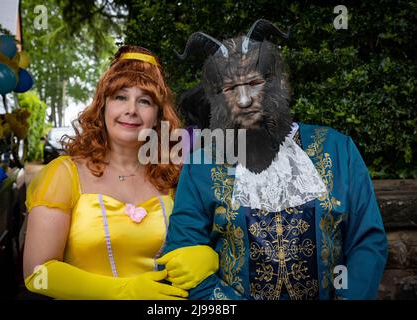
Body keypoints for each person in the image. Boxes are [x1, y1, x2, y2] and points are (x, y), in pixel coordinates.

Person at [161, 20, 388, 300]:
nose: (244, 100)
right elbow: (183, 253)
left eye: (255, 83)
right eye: (230, 89)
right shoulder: (200, 165)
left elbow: (367, 241)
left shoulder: (338, 148)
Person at [23, 45, 218, 300]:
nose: (131, 110)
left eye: (145, 101)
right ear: (102, 105)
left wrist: (213, 254)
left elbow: (216, 236)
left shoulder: (176, 176)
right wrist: (124, 292)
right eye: (120, 97)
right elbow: (38, 274)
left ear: (158, 115)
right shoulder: (64, 174)